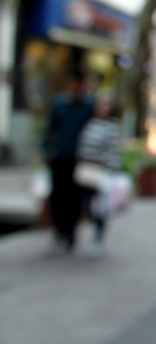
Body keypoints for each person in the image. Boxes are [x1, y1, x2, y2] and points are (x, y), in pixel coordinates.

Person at [41, 70, 94, 252]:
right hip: (60, 156)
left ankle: (71, 231)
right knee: (57, 194)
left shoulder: (88, 106)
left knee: (75, 196)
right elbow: (50, 128)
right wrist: (46, 149)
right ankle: (59, 229)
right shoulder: (60, 104)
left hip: (79, 158)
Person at [75, 94, 122, 256]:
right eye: (100, 105)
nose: (102, 108)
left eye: (106, 105)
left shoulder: (111, 126)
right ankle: (92, 235)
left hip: (102, 172)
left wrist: (110, 170)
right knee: (86, 205)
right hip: (86, 170)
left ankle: (97, 238)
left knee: (100, 207)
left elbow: (114, 151)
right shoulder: (90, 122)